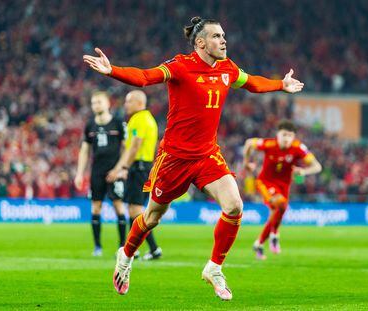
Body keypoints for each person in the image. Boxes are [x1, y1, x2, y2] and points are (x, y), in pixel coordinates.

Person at [83, 16, 304, 300]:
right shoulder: (180, 66)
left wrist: (279, 85)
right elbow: (146, 77)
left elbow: (252, 83)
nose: (223, 41)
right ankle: (125, 257)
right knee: (151, 217)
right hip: (174, 157)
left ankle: (214, 268)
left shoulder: (227, 68)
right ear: (200, 43)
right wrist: (112, 70)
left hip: (207, 154)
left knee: (235, 206)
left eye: (223, 36)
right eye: (216, 37)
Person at [243, 120, 322, 260]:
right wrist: (246, 162)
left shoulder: (298, 148)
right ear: (278, 135)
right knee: (280, 204)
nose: (287, 138)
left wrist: (303, 172)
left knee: (278, 210)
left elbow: (317, 167)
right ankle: (274, 235)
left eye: (290, 135)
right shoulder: (269, 144)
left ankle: (260, 243)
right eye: (284, 134)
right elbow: (249, 143)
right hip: (265, 183)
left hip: (284, 186)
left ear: (294, 137)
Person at [106, 90, 162, 260]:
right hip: (144, 167)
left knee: (136, 209)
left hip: (138, 168)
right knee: (134, 209)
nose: (125, 104)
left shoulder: (139, 120)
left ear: (139, 103)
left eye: (129, 101)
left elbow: (134, 147)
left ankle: (145, 248)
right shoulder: (148, 119)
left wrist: (121, 167)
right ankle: (148, 248)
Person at [74, 91, 127, 257]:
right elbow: (84, 150)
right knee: (96, 207)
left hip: (115, 170)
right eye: (93, 103)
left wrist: (121, 169)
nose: (96, 105)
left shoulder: (118, 123)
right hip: (97, 171)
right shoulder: (90, 125)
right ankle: (97, 247)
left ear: (107, 104)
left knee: (118, 205)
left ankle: (122, 247)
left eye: (99, 102)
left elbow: (126, 148)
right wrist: (79, 173)